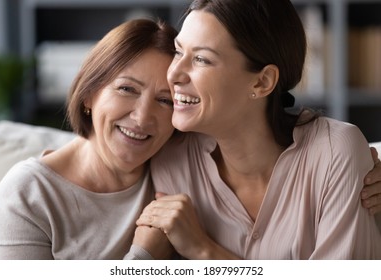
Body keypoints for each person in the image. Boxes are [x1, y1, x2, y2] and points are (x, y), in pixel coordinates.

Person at [135, 0, 381, 259]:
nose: (174, 74)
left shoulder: (333, 153)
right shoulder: (172, 158)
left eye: (201, 59)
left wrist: (204, 251)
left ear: (262, 82)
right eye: (177, 51)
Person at [0, 19, 177, 259]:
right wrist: (144, 257)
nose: (142, 118)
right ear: (89, 94)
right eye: (127, 89)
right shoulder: (29, 193)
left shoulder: (182, 168)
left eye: (165, 101)